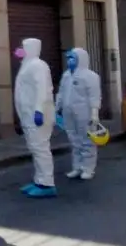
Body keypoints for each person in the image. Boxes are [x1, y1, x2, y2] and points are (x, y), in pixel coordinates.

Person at [14, 38, 57, 198]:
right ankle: (39, 180)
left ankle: (47, 183)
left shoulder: (38, 65)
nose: (20, 50)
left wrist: (39, 110)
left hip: (37, 115)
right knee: (35, 149)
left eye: (23, 47)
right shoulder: (27, 64)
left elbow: (42, 90)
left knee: (41, 149)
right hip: (28, 115)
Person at [55, 47, 102, 181]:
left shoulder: (90, 76)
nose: (70, 61)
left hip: (84, 112)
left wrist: (94, 113)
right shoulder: (66, 76)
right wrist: (57, 107)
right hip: (68, 112)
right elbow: (61, 93)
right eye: (69, 58)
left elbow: (94, 96)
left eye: (72, 58)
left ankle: (88, 168)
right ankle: (77, 167)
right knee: (74, 140)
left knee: (87, 140)